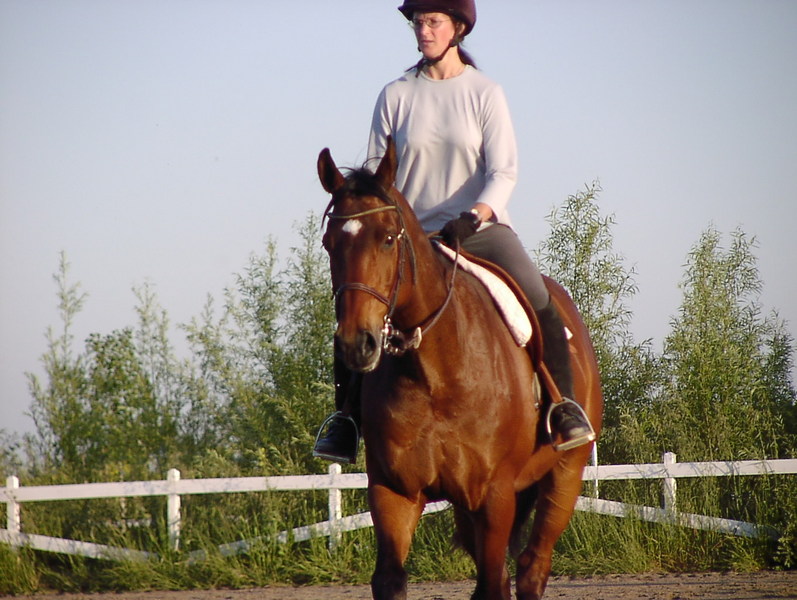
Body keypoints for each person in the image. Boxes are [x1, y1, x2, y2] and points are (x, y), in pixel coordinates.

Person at [313, 0, 594, 463]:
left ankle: (562, 406)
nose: (423, 30)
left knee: (535, 293)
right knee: (357, 305)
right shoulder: (395, 95)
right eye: (418, 22)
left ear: (458, 28)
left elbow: (504, 172)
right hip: (409, 238)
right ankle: (346, 419)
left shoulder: (485, 92)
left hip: (476, 229)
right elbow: (377, 176)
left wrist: (475, 215)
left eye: (433, 22)